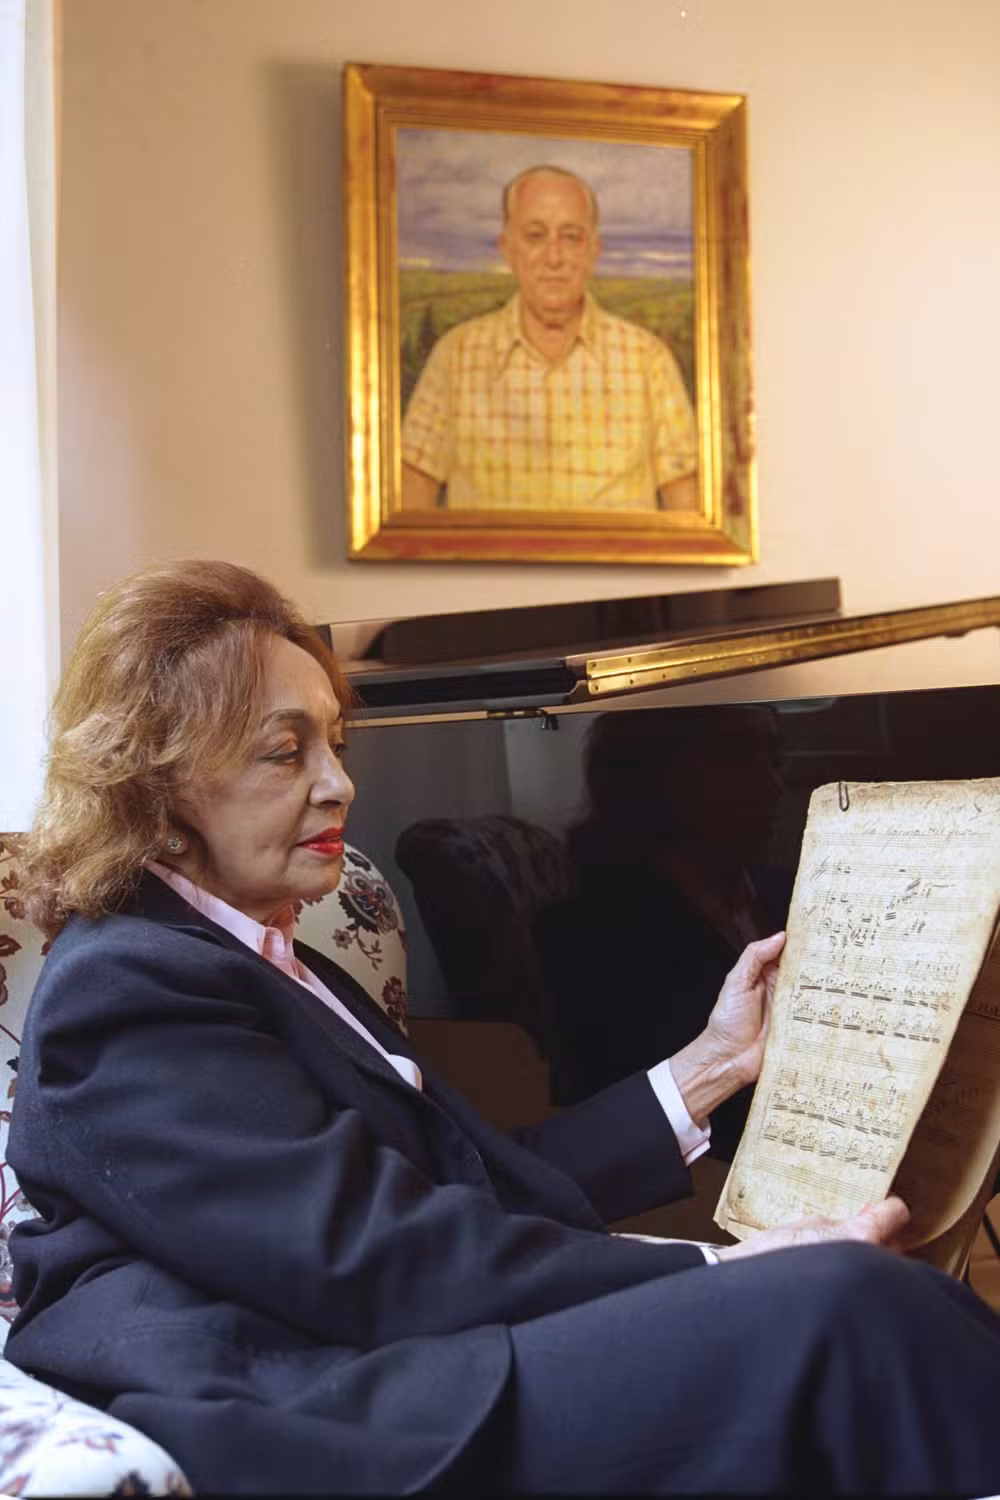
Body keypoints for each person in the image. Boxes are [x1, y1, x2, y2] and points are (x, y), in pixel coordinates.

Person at [6, 559, 1000, 1496]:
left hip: (391, 1351)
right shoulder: (131, 988)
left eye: (334, 744)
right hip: (319, 1410)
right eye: (283, 751)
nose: (338, 784)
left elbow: (461, 1184)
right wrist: (724, 1265)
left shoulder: (263, 961)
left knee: (871, 1311)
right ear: (156, 778)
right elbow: (376, 1258)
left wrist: (709, 1065)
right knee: (846, 1308)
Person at [536, 704, 794, 1156]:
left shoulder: (790, 892)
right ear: (656, 776)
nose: (772, 787)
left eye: (774, 758)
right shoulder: (587, 936)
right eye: (735, 760)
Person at [401, 165, 698, 512]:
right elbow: (411, 503)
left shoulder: (649, 360)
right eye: (535, 236)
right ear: (507, 248)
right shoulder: (455, 356)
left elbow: (688, 511)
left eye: (571, 237)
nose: (554, 258)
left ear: (593, 250)